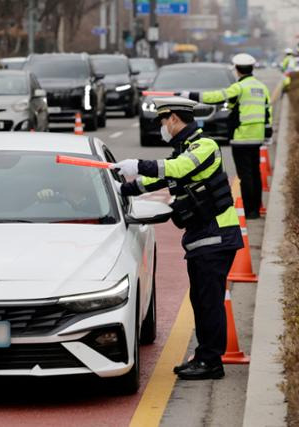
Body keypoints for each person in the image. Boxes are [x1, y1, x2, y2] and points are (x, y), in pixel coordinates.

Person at [113, 97, 243, 380]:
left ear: (173, 119)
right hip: (203, 237)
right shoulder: (183, 150)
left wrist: (139, 164)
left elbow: (177, 169)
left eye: (163, 121)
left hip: (217, 235)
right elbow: (161, 179)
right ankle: (205, 356)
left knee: (209, 302)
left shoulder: (204, 147)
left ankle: (211, 362)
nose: (161, 126)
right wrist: (123, 188)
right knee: (201, 300)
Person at [177, 53, 272, 219]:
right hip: (257, 137)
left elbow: (215, 97)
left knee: (245, 175)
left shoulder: (239, 87)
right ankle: (255, 208)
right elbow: (267, 111)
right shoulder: (261, 87)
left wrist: (189, 95)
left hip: (241, 137)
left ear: (237, 69)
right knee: (255, 173)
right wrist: (268, 133)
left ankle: (250, 211)